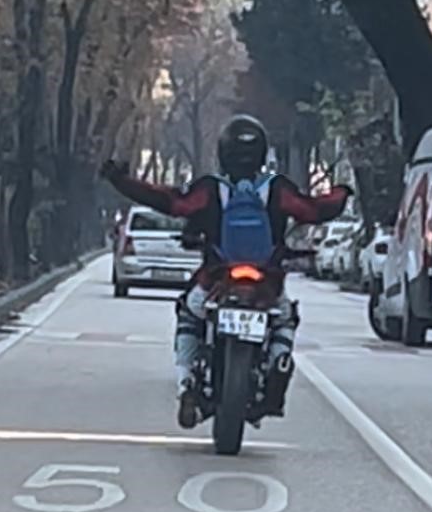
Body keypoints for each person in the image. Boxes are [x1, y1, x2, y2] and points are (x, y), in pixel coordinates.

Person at [101, 115, 350, 428]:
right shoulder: (276, 188)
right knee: (284, 317)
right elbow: (313, 210)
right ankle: (279, 359)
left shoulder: (210, 189)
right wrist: (341, 193)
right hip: (266, 282)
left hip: (216, 277)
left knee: (190, 315)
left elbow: (172, 202)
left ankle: (187, 380)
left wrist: (122, 181)